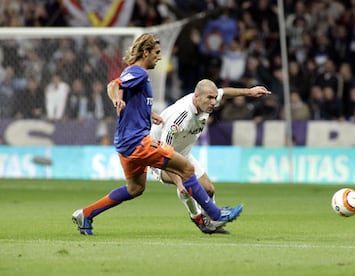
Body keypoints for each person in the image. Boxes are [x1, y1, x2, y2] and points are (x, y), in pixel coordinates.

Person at [71, 33, 243, 235]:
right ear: (146, 52)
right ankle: (215, 215)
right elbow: (113, 85)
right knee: (187, 169)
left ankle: (86, 214)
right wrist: (116, 99)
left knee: (135, 189)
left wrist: (148, 113)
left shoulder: (138, 76)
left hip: (125, 143)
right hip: (138, 142)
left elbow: (132, 101)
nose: (159, 57)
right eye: (156, 53)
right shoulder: (138, 72)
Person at [150, 79, 271, 234]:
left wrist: (250, 91)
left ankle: (212, 222)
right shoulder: (179, 117)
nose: (214, 102)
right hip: (158, 157)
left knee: (209, 189)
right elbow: (164, 152)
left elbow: (225, 92)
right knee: (185, 188)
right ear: (196, 97)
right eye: (209, 98)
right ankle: (198, 218)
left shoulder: (206, 101)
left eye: (215, 98)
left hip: (183, 153)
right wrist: (180, 183)